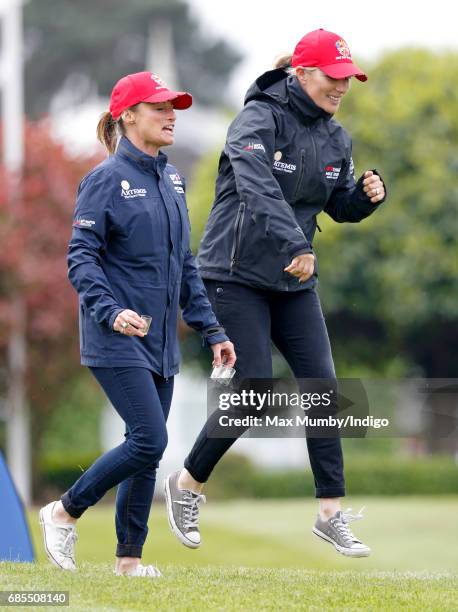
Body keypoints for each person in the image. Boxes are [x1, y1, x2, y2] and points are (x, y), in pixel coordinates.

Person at [165, 29, 386, 558]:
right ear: (303, 73)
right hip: (233, 273)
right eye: (334, 78)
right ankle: (187, 484)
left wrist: (364, 198)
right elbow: (256, 186)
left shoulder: (338, 138)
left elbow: (335, 205)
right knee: (257, 387)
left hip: (293, 279)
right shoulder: (257, 120)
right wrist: (295, 241)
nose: (341, 87)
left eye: (347, 79)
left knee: (325, 389)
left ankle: (330, 512)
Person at [39, 71, 235, 577]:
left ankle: (129, 561)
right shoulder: (104, 179)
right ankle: (64, 512)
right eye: (159, 107)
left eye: (175, 107)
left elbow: (184, 266)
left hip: (162, 341)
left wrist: (212, 331)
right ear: (128, 116)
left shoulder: (172, 179)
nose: (172, 115)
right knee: (150, 440)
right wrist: (110, 310)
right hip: (116, 335)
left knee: (143, 451)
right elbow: (81, 260)